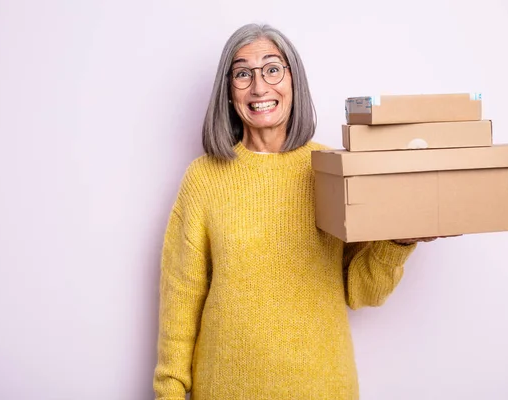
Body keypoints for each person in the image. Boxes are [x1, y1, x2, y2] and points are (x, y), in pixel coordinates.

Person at [153, 23, 440, 400]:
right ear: (227, 92)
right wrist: (169, 392)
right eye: (243, 74)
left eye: (273, 69)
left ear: (294, 81)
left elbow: (360, 291)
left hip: (323, 387)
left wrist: (398, 243)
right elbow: (180, 299)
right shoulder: (203, 179)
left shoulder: (330, 170)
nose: (259, 87)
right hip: (225, 389)